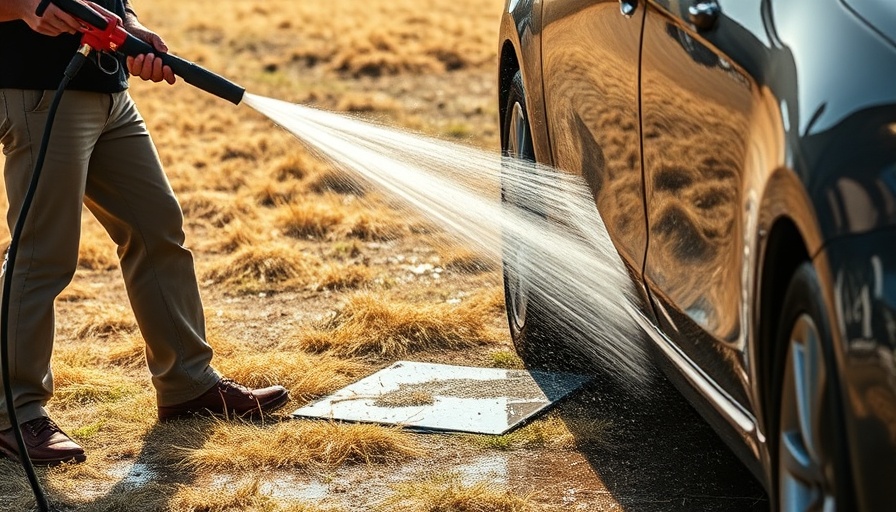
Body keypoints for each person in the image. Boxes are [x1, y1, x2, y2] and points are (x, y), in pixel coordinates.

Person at [0, 0, 288, 465]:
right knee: (43, 253)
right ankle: (12, 412)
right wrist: (22, 8)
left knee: (158, 230)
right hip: (39, 91)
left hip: (110, 90)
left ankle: (187, 383)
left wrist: (131, 27)